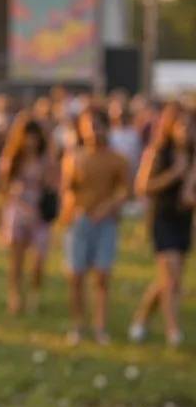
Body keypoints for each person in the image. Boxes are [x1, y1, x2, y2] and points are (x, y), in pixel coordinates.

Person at [60, 108, 130, 345]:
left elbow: (124, 190)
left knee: (102, 276)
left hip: (106, 222)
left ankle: (100, 326)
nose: (93, 130)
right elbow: (68, 189)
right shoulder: (74, 157)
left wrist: (109, 206)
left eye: (97, 124)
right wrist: (70, 213)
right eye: (88, 124)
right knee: (76, 276)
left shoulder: (117, 159)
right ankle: (78, 325)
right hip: (79, 221)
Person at [129, 104, 195, 346]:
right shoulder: (159, 151)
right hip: (162, 218)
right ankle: (173, 331)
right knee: (171, 275)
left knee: (170, 280)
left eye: (191, 125)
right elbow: (142, 186)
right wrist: (174, 175)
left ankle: (142, 318)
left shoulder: (193, 154)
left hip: (183, 220)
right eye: (182, 125)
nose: (187, 130)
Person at [0, 117, 57, 314]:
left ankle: (34, 293)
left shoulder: (45, 159)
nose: (31, 141)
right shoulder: (12, 158)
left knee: (39, 260)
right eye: (27, 137)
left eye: (35, 137)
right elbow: (3, 188)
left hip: (38, 212)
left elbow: (51, 185)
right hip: (17, 211)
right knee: (17, 259)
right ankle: (15, 296)